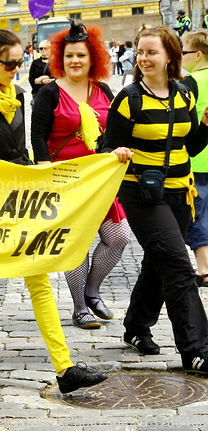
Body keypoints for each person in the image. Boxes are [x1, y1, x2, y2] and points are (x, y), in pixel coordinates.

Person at [0, 24, 108, 394]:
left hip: (20, 198)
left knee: (38, 277)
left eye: (20, 62)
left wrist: (40, 176)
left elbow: (22, 149)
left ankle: (65, 369)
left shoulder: (17, 94)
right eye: (10, 64)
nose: (17, 70)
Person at [103, 26, 208, 373]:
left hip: (181, 191)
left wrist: (206, 126)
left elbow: (190, 146)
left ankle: (135, 327)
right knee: (178, 264)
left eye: (151, 52)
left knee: (158, 261)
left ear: (170, 57)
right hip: (142, 194)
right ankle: (197, 349)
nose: (143, 58)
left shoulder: (184, 96)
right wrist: (115, 151)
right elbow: (106, 145)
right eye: (140, 51)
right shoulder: (129, 98)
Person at [31, 20, 130, 329]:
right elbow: (37, 137)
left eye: (81, 56)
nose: (75, 61)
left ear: (93, 59)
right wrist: (45, 173)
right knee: (75, 243)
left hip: (99, 179)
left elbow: (112, 132)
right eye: (70, 55)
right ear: (61, 59)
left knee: (118, 237)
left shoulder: (101, 90)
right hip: (64, 181)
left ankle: (91, 291)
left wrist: (117, 151)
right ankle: (78, 307)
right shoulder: (50, 93)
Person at [181, 31, 208, 287]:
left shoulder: (191, 82)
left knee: (196, 215)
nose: (181, 57)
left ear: (198, 55)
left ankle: (203, 268)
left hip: (198, 158)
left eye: (184, 52)